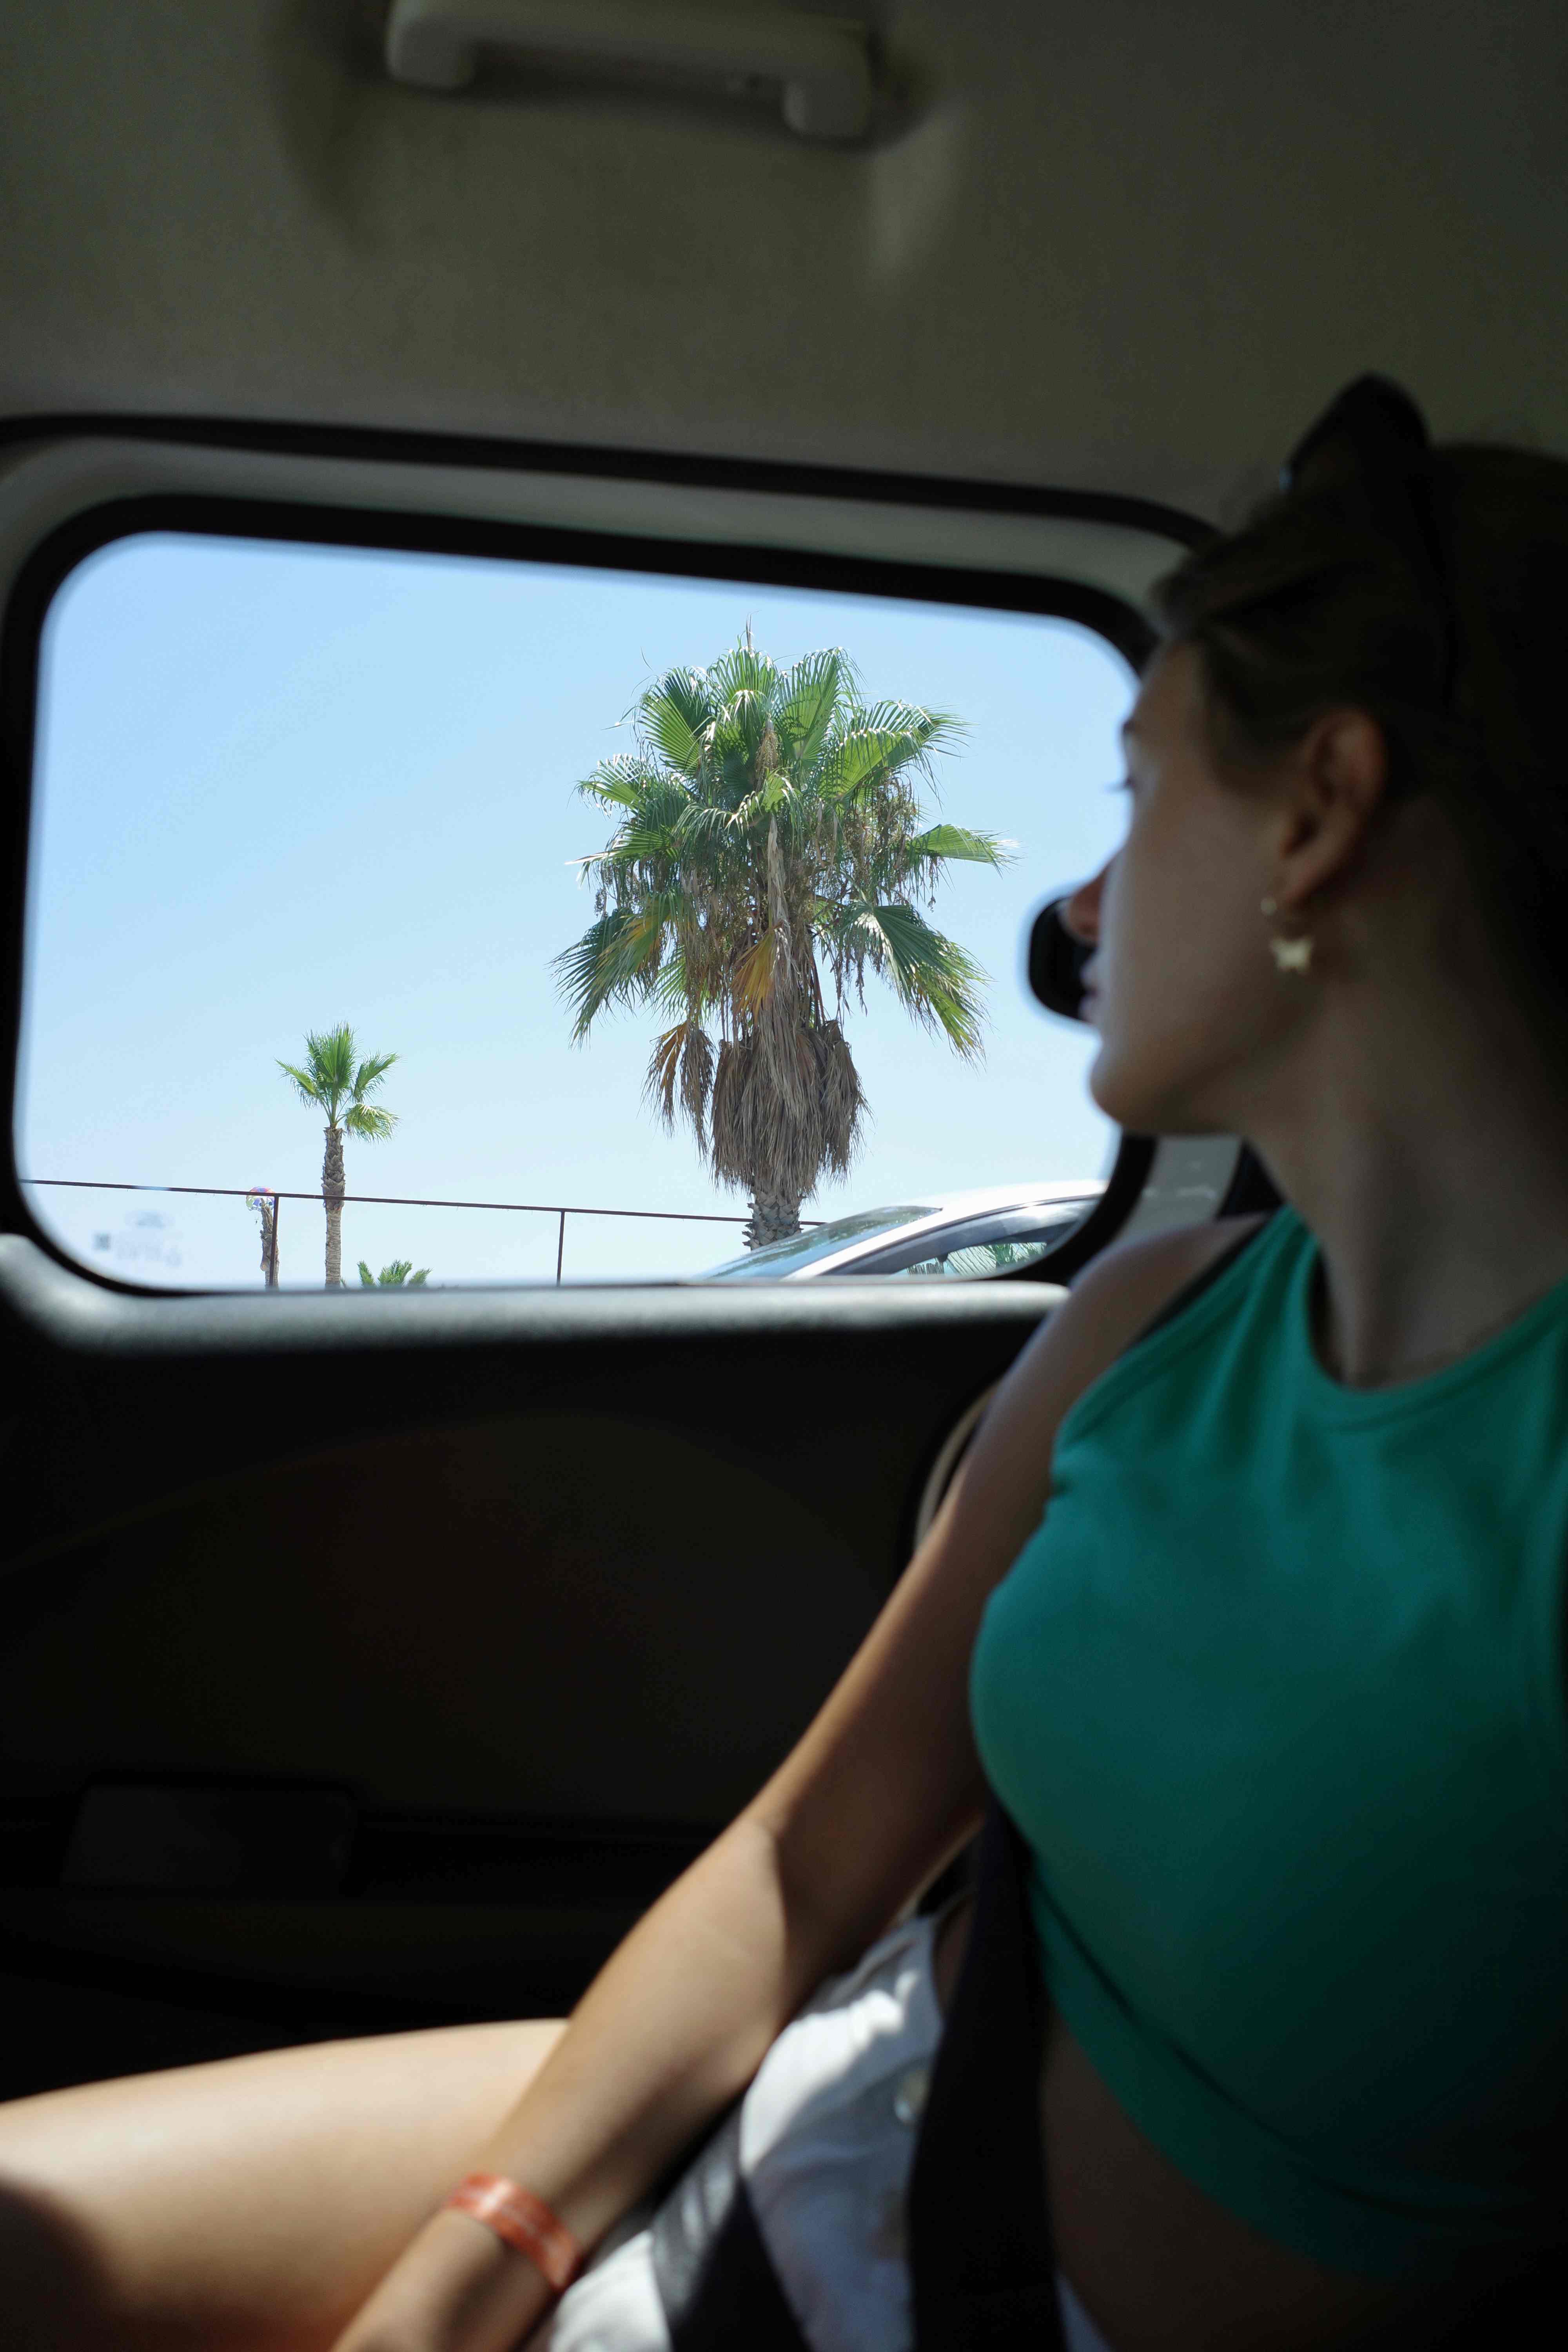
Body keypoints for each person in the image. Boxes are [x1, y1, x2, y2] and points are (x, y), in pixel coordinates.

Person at [5, 378, 1568, 2351]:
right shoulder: (1145, 1327)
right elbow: (796, 1864)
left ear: (1321, 813)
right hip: (828, 2117)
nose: (1077, 917)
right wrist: (467, 2271)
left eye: (1136, 793)